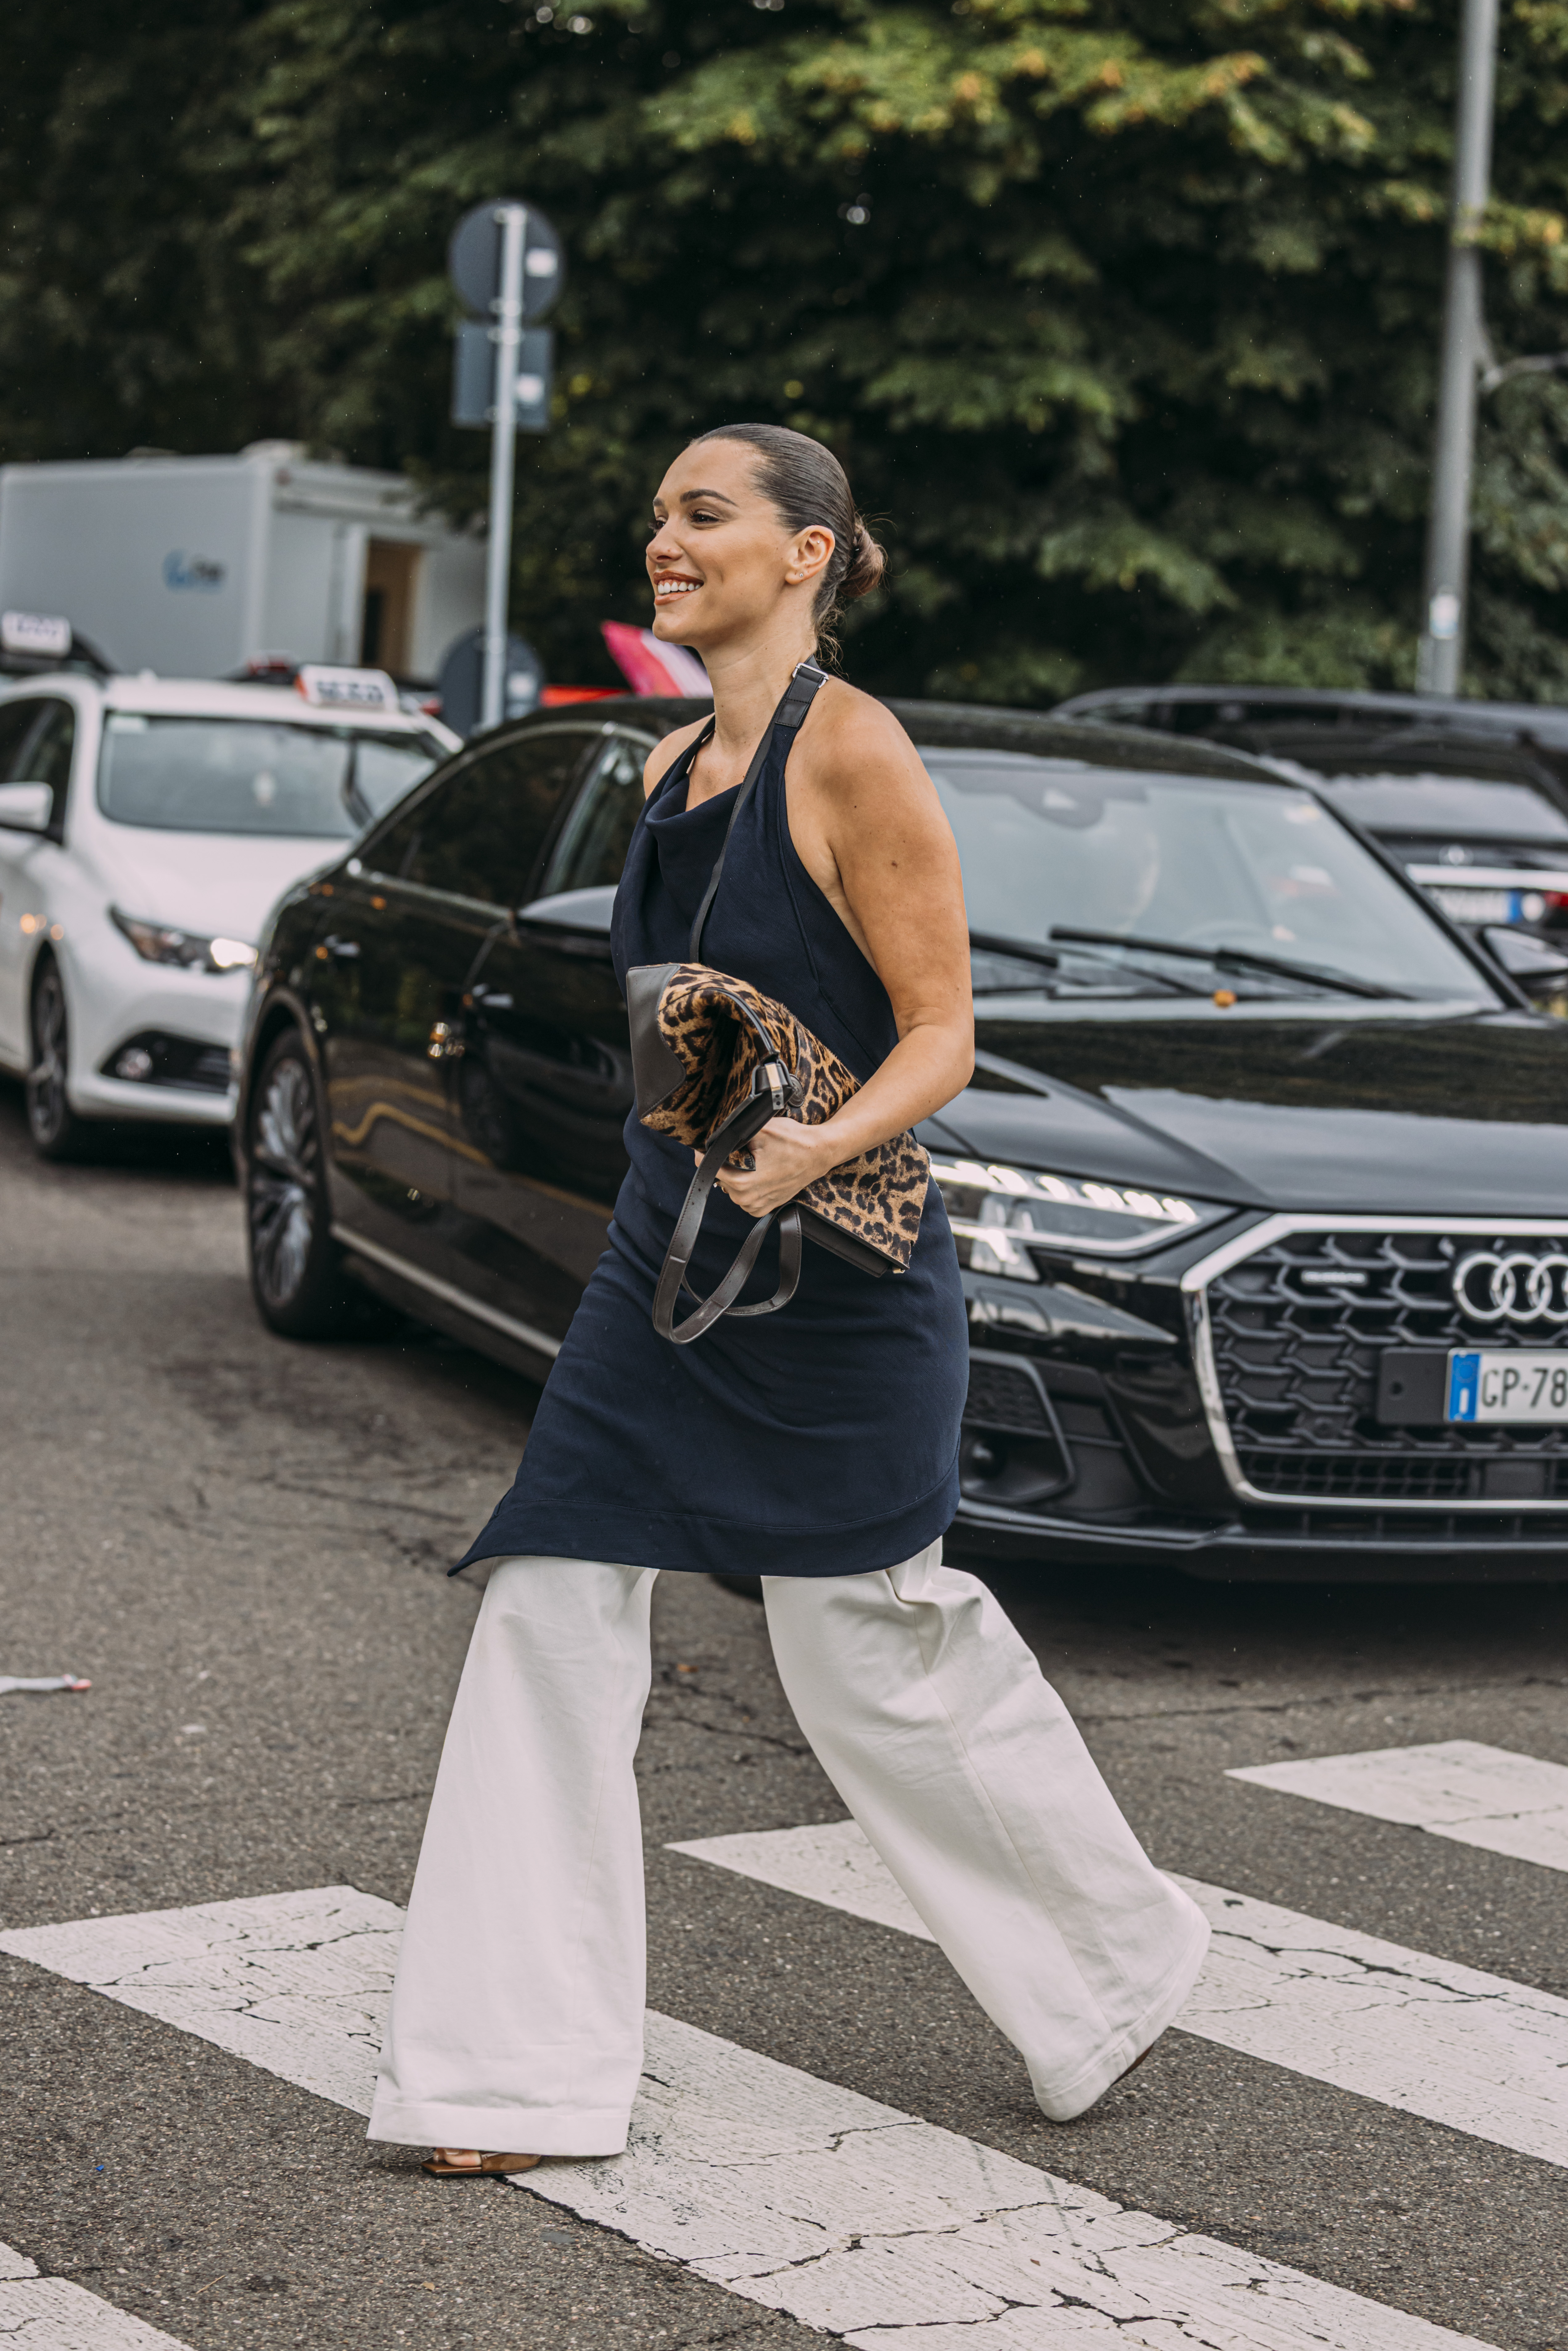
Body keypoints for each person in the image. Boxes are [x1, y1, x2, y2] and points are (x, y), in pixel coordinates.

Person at [367, 423, 1210, 2176]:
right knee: (549, 1605)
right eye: (660, 516)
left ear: (808, 551)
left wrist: (814, 1147)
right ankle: (509, 2076)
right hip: (663, 1268)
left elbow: (944, 1033)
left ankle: (1112, 1965)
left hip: (839, 1289)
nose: (662, 540)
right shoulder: (675, 761)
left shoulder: (860, 757)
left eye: (703, 515)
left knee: (867, 1653)